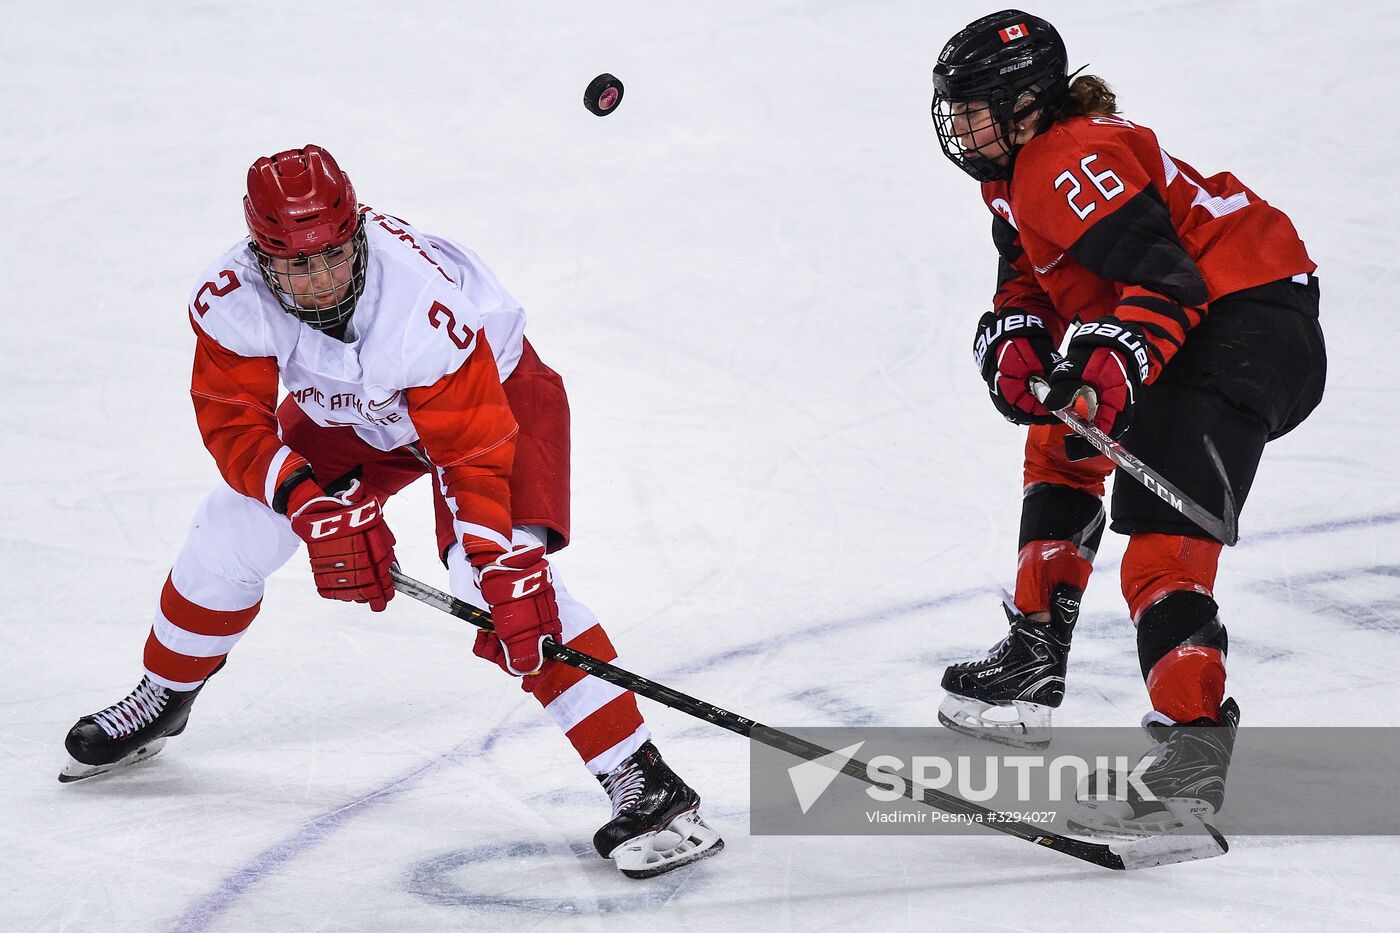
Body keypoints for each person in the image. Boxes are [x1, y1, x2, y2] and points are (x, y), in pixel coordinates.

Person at [59, 145, 723, 878]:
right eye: (295, 264)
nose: (319, 279)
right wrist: (310, 506)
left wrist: (495, 558)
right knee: (235, 524)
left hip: (492, 402)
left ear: (356, 234)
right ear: (260, 257)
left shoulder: (423, 307)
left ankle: (643, 778)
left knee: (500, 584)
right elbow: (233, 420)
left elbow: (472, 451)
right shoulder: (232, 296)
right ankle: (165, 691)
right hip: (352, 413)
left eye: (333, 255)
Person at [928, 11, 1325, 833]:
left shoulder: (1066, 158)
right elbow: (1033, 283)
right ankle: (1035, 654)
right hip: (1221, 320)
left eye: (973, 107)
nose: (959, 125)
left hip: (1245, 323)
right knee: (1059, 441)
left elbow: (1170, 283)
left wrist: (1106, 367)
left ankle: (1192, 756)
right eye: (954, 107)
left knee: (1162, 551)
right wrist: (1021, 340)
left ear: (1027, 104)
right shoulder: (1019, 177)